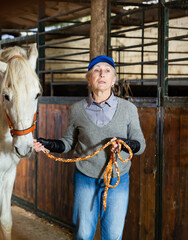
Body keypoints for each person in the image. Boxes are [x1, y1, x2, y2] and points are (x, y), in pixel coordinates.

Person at [33, 55, 146, 240]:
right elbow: (68, 142)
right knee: (83, 234)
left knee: (113, 235)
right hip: (85, 177)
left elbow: (140, 145)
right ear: (89, 78)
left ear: (113, 79)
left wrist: (124, 145)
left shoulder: (128, 109)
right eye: (96, 70)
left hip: (117, 179)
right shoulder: (77, 110)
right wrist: (48, 144)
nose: (102, 74)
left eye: (107, 71)